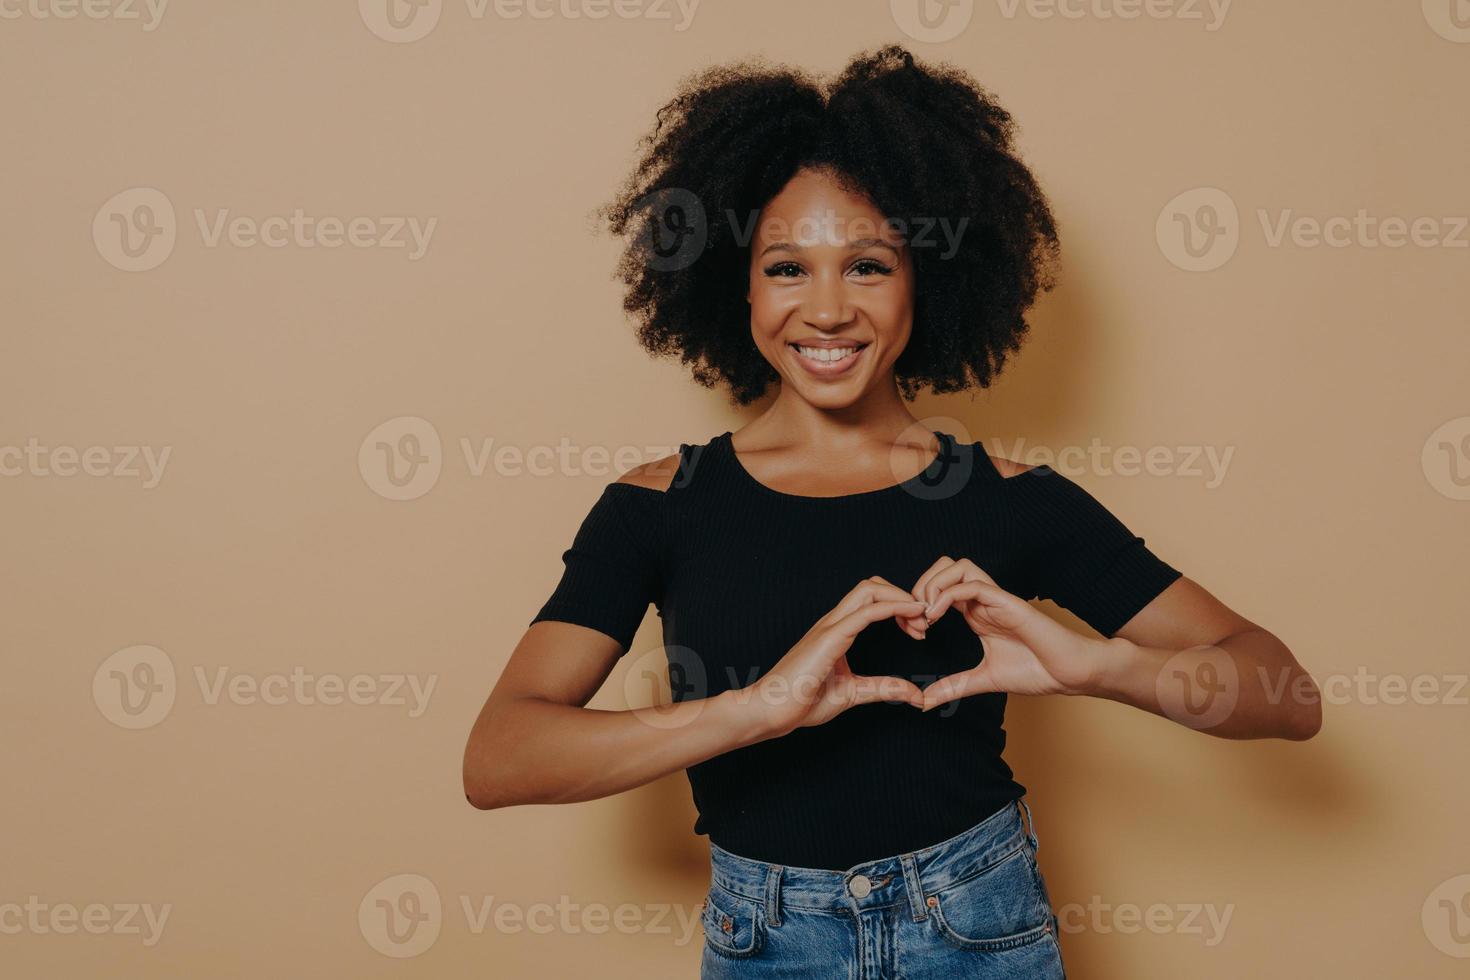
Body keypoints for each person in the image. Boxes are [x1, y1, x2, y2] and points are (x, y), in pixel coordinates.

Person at [462, 44, 1321, 979]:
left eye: (867, 265)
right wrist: (755, 710)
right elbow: (501, 759)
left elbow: (1285, 695)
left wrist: (1101, 666)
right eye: (788, 267)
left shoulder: (1009, 498)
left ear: (929, 282)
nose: (826, 310)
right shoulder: (658, 505)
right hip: (767, 942)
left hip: (979, 928)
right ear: (736, 283)